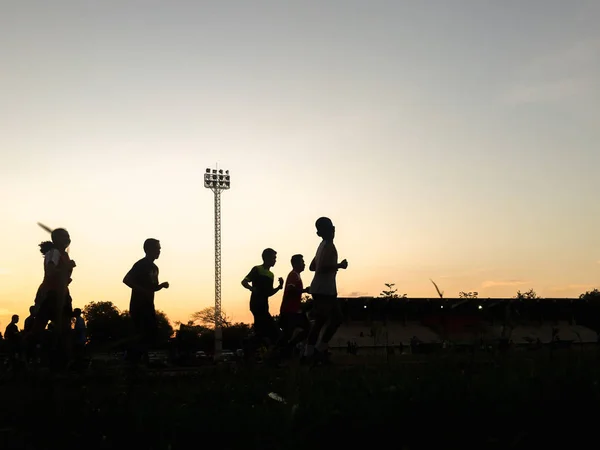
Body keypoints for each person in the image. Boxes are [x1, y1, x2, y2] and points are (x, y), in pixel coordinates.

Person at [304, 217, 348, 364]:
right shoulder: (327, 245)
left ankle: (315, 351)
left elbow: (312, 267)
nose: (333, 230)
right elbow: (321, 268)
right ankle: (313, 351)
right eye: (329, 228)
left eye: (333, 227)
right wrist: (339, 265)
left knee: (326, 320)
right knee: (331, 319)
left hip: (324, 288)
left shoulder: (322, 245)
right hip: (324, 289)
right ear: (321, 232)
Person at [33, 228, 76, 369]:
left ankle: (60, 361)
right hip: (52, 295)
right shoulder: (54, 253)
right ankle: (29, 356)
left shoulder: (64, 255)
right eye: (64, 236)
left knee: (64, 329)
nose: (68, 239)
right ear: (55, 239)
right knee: (41, 330)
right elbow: (50, 272)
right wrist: (67, 268)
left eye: (68, 236)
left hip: (62, 294)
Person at [123, 238, 169, 364]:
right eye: (157, 248)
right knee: (142, 333)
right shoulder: (141, 264)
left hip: (149, 305)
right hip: (138, 305)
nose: (159, 251)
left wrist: (161, 286)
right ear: (148, 249)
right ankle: (132, 360)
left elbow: (152, 288)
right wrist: (142, 291)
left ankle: (140, 361)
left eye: (159, 249)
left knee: (151, 333)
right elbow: (126, 280)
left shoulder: (154, 268)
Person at [241, 248, 284, 351]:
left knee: (262, 332)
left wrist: (279, 287)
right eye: (274, 258)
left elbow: (268, 293)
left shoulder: (271, 275)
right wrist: (252, 288)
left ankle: (250, 348)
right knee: (272, 330)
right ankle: (251, 348)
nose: (275, 260)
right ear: (267, 258)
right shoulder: (257, 269)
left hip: (264, 306)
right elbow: (244, 281)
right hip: (256, 305)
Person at [279, 254, 310, 356]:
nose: (304, 264)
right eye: (302, 262)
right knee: (304, 329)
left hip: (293, 310)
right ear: (296, 264)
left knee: (289, 334)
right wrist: (304, 290)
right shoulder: (293, 275)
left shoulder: (296, 275)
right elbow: (291, 289)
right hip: (289, 311)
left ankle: (285, 350)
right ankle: (284, 350)